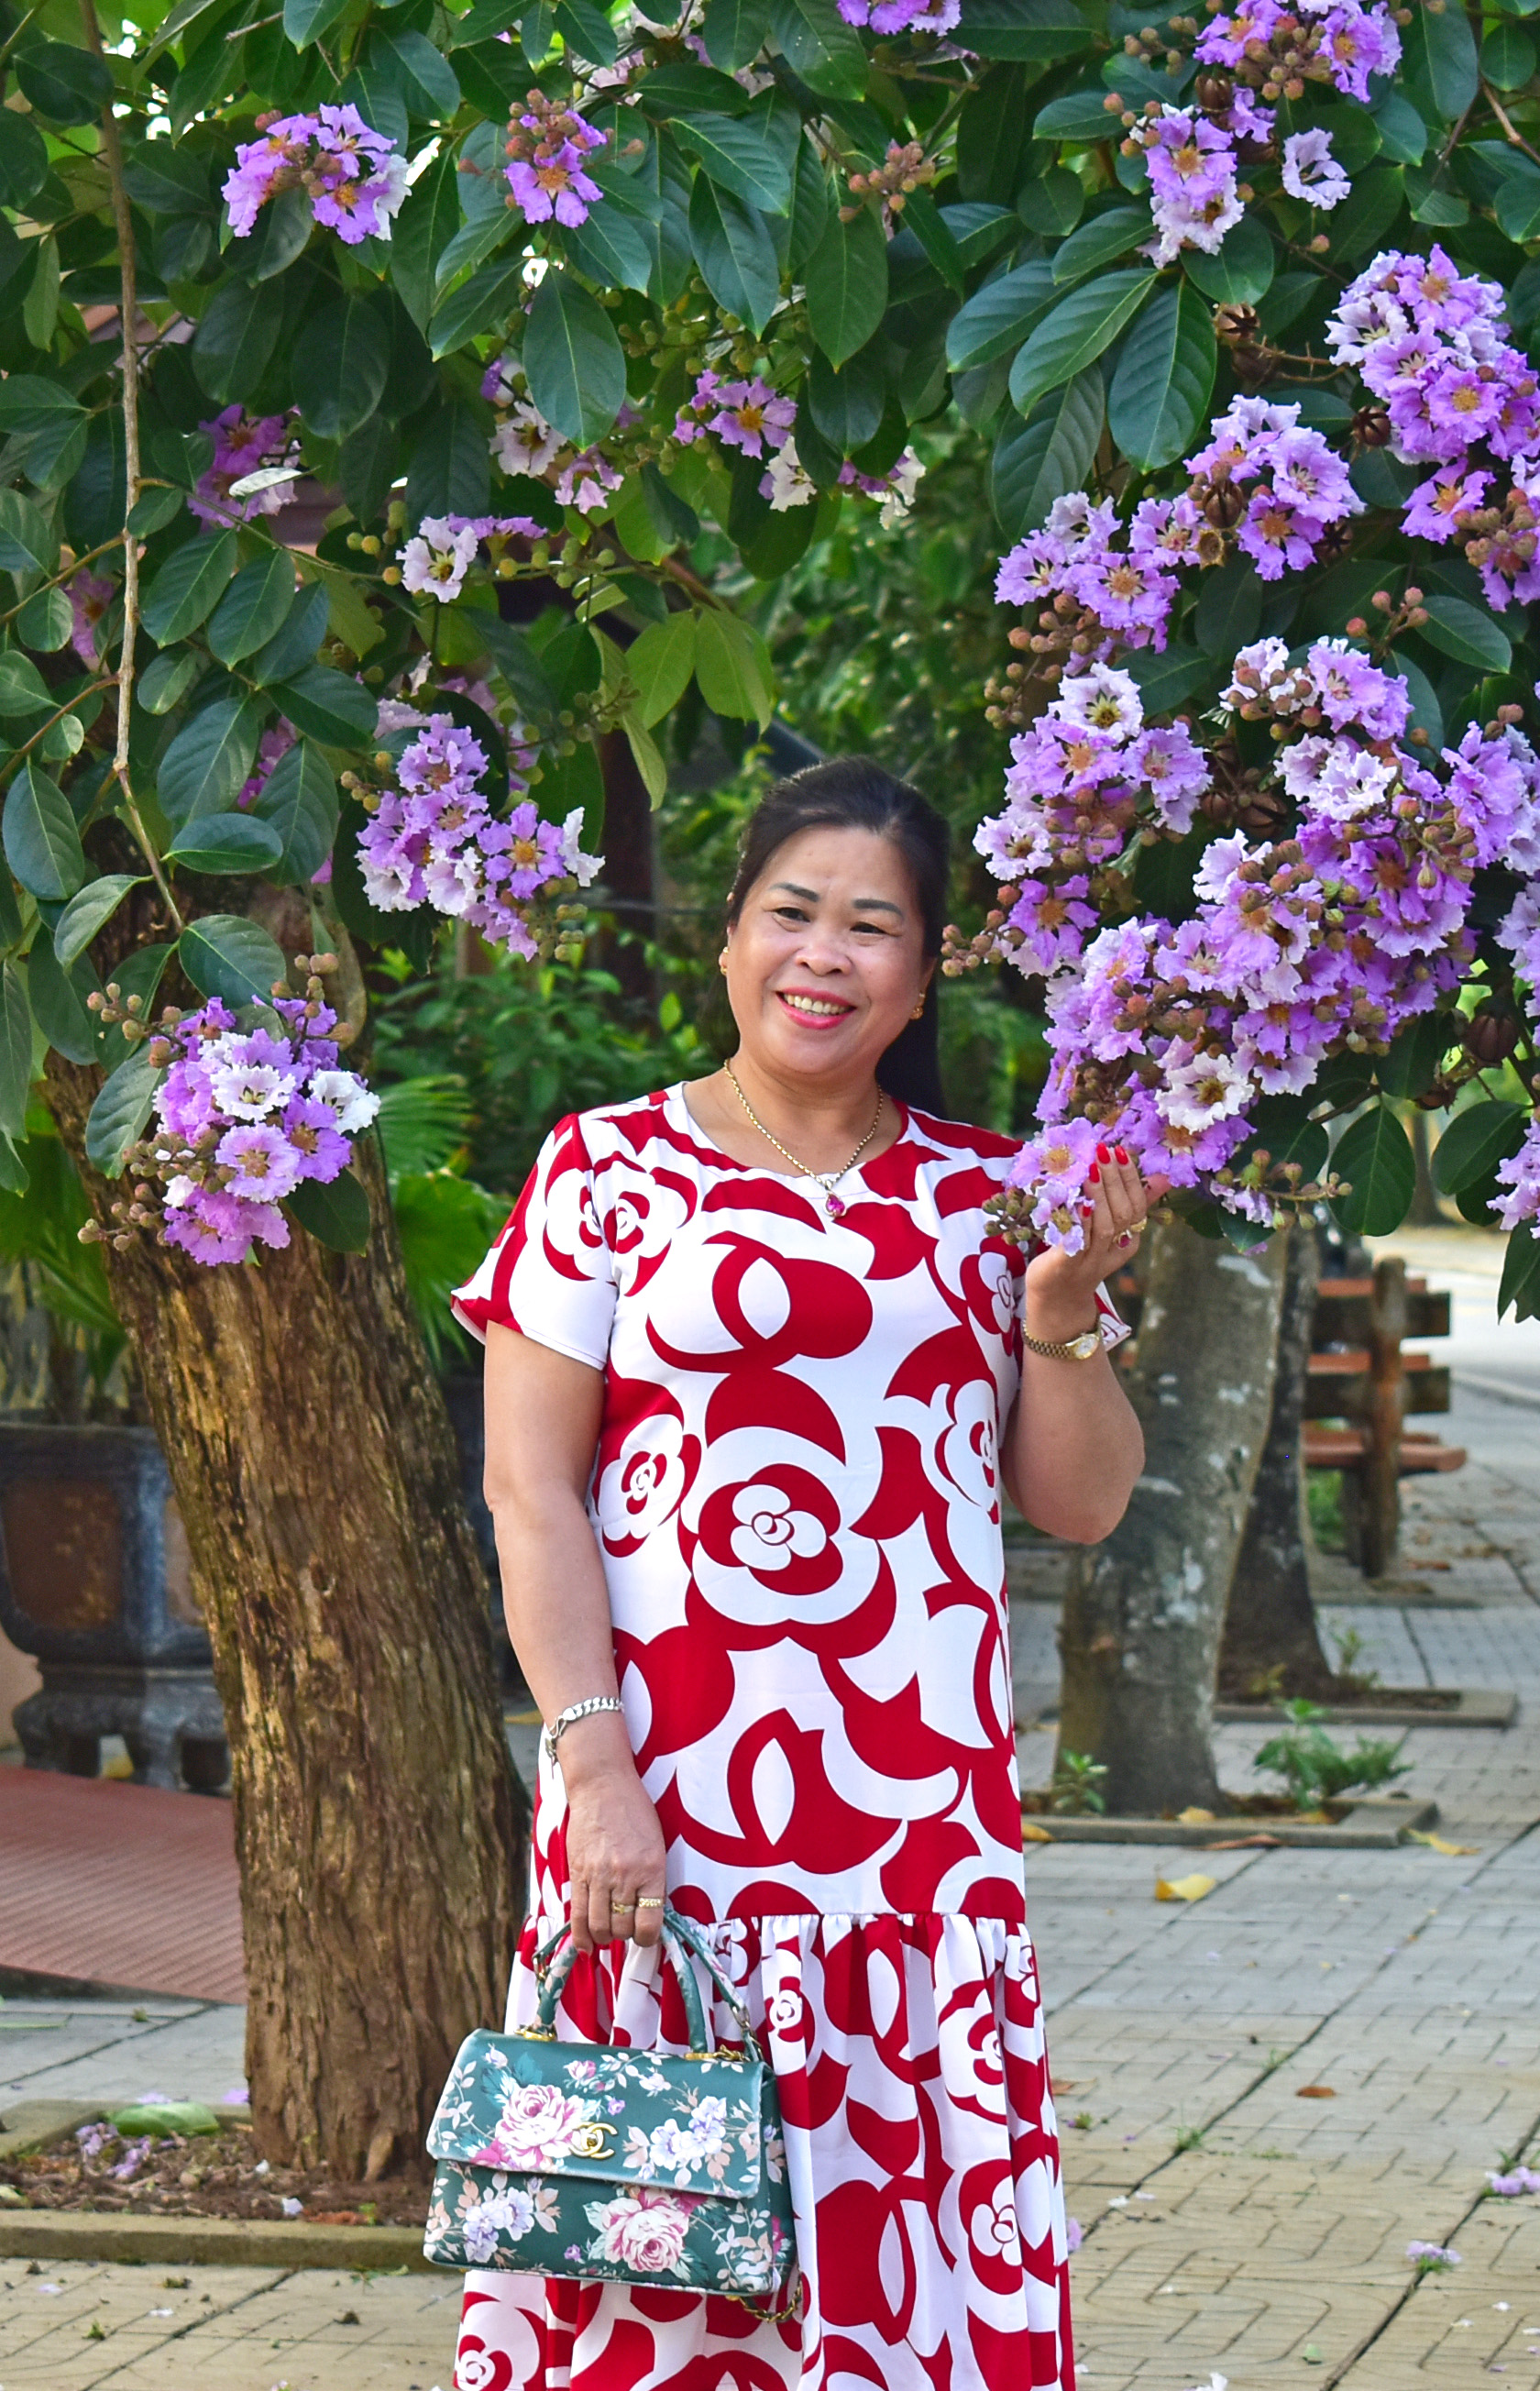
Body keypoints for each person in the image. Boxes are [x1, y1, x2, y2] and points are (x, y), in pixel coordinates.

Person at [449, 756, 1150, 2391]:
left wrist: (1058, 1318)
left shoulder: (993, 1197)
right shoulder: (605, 1170)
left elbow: (1083, 1503)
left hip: (915, 1835)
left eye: (872, 930)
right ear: (730, 940)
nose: (822, 957)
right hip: (665, 1810)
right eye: (792, 914)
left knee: (907, 2268)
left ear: (921, 979)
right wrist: (591, 1761)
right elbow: (529, 1493)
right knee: (650, 2269)